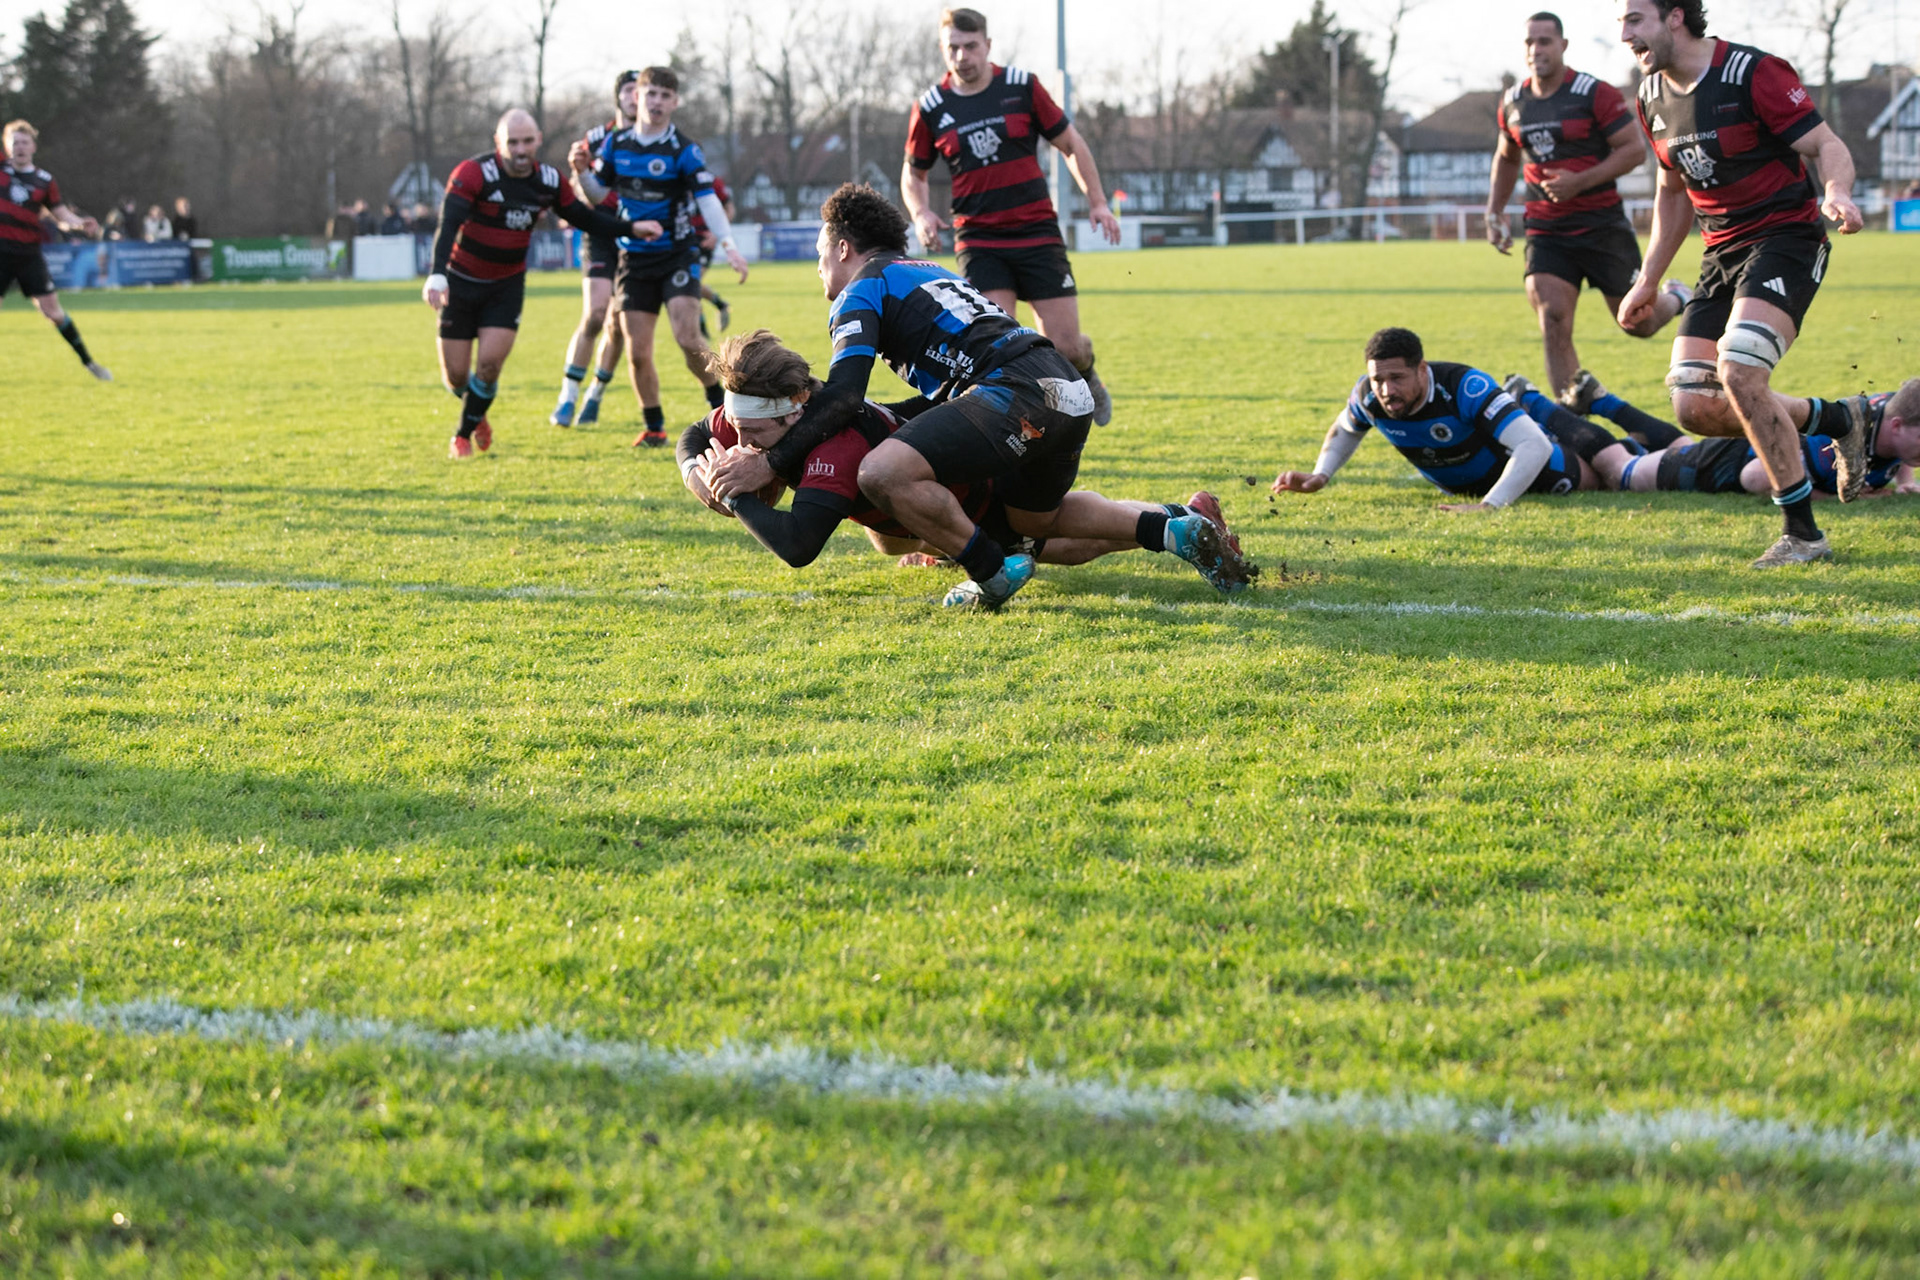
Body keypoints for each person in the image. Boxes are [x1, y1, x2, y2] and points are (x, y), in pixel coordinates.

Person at [698, 184, 1255, 609]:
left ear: (843, 248)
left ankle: (990, 574)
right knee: (1037, 522)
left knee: (880, 473)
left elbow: (844, 396)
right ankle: (1177, 528)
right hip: (1062, 386)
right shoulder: (923, 270)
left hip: (1015, 388)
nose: (819, 268)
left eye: (822, 255)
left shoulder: (861, 289)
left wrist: (768, 463)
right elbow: (938, 388)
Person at [1617, 0, 1870, 567]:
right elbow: (1672, 192)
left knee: (1738, 371)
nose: (1626, 35)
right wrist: (1648, 280)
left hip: (1785, 238)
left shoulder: (1752, 73)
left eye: (1636, 20)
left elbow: (1827, 144)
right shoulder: (1651, 96)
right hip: (1720, 253)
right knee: (1693, 405)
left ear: (1674, 17)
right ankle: (1839, 418)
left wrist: (1837, 192)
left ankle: (1803, 535)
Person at [679, 329, 1242, 577]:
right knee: (883, 536)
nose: (740, 443)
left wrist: (735, 494)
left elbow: (799, 545)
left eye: (755, 435)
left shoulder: (836, 447)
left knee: (1060, 543)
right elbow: (693, 436)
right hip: (925, 473)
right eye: (737, 430)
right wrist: (693, 471)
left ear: (796, 409)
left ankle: (1182, 521)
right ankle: (1181, 522)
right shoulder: (759, 413)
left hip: (971, 499)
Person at [900, 7, 1121, 425]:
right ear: (943, 51)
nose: (962, 56)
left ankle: (1087, 373)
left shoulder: (1021, 87)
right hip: (979, 240)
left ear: (987, 46)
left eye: (970, 46)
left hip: (1037, 231)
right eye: (953, 48)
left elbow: (1071, 143)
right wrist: (922, 211)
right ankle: (1024, 434)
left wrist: (1097, 201)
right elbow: (914, 174)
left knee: (1066, 347)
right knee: (1001, 347)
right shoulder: (931, 107)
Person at [423, 108, 659, 460]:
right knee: (457, 376)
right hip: (461, 282)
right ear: (498, 143)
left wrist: (630, 228)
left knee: (488, 367)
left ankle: (462, 434)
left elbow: (583, 217)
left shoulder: (548, 180)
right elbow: (449, 223)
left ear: (539, 140)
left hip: (505, 287)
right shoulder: (473, 173)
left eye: (527, 141)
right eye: (513, 142)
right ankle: (478, 414)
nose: (521, 149)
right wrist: (438, 273)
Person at [1486, 12, 1689, 402]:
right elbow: (1507, 156)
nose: (1536, 49)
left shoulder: (1594, 94)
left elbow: (1632, 152)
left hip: (1601, 226)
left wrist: (1579, 181)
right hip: (1547, 231)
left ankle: (1676, 297)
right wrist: (1494, 211)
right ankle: (1571, 421)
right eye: (1530, 42)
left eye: (1545, 41)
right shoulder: (1513, 102)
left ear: (1563, 46)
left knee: (1637, 323)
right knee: (1553, 320)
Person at [569, 65, 750, 448]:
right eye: (651, 94)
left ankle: (720, 406)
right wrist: (581, 173)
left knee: (687, 336)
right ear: (638, 97)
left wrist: (729, 245)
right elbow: (597, 196)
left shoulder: (682, 149)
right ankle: (654, 428)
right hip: (633, 260)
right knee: (637, 354)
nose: (657, 102)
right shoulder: (616, 144)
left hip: (677, 254)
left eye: (666, 96)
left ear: (675, 102)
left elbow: (708, 199)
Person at [1270, 328, 1641, 509]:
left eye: (1396, 378)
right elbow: (1346, 428)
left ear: (1422, 370)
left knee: (1622, 477)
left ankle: (1639, 442)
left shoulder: (1464, 385)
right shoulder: (1369, 394)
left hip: (1553, 472)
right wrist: (1321, 475)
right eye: (1378, 379)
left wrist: (1488, 508)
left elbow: (1535, 447)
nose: (1386, 390)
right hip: (1469, 486)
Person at [1621, 380, 1920, 497]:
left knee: (1644, 456)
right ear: (1896, 426)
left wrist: (1904, 479)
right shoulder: (1831, 444)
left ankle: (1625, 438)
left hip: (1732, 449)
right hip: (1729, 460)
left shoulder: (1900, 419)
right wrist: (1837, 498)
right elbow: (1755, 477)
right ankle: (1600, 404)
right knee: (1623, 474)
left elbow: (1897, 444)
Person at [551, 70, 640, 430]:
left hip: (637, 236)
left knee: (619, 325)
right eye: (631, 91)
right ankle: (568, 396)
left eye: (643, 91)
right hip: (601, 232)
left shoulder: (656, 141)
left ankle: (595, 396)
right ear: (618, 97)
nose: (637, 97)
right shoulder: (595, 138)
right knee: (594, 314)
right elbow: (575, 182)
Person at [1, 120, 110, 381]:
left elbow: (59, 214)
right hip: (1, 253)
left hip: (29, 255)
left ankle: (89, 362)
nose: (19, 147)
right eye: (14, 142)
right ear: (7, 146)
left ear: (34, 147)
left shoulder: (44, 181)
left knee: (53, 312)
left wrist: (79, 224)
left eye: (24, 142)